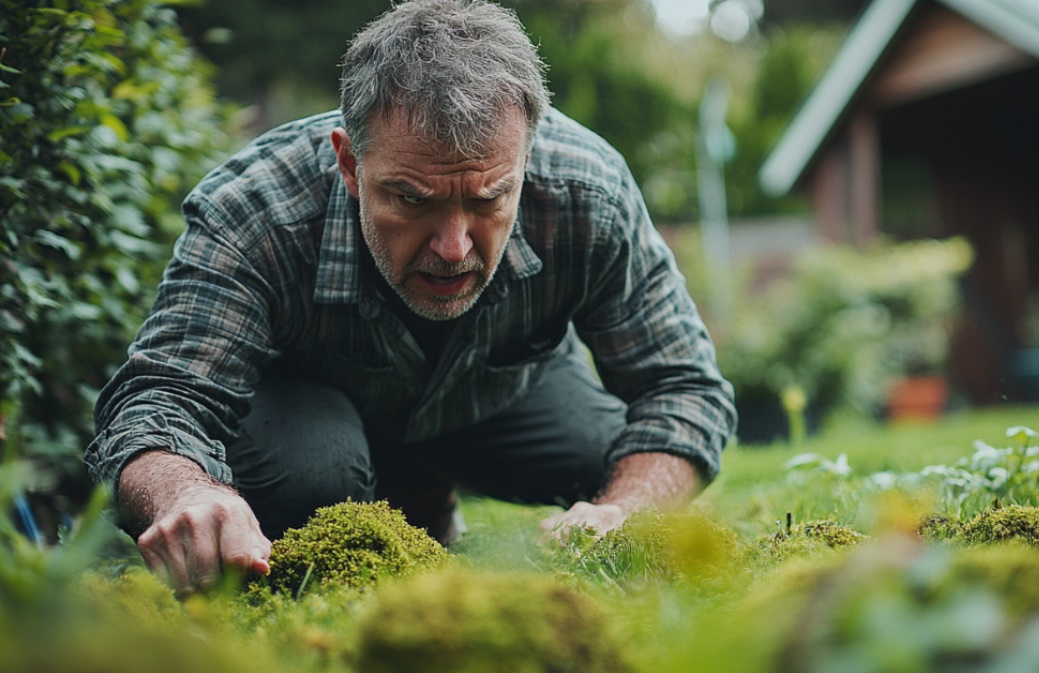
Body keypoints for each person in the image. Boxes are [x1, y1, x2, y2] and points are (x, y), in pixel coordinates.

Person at [86, 0, 736, 594]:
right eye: (411, 199)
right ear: (348, 163)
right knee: (318, 476)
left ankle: (425, 490)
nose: (453, 247)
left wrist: (626, 510)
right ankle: (400, 493)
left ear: (528, 158)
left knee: (619, 457)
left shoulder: (590, 193)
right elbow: (158, 399)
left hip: (500, 397)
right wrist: (186, 494)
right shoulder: (256, 210)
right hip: (310, 415)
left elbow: (683, 388)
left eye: (487, 200)